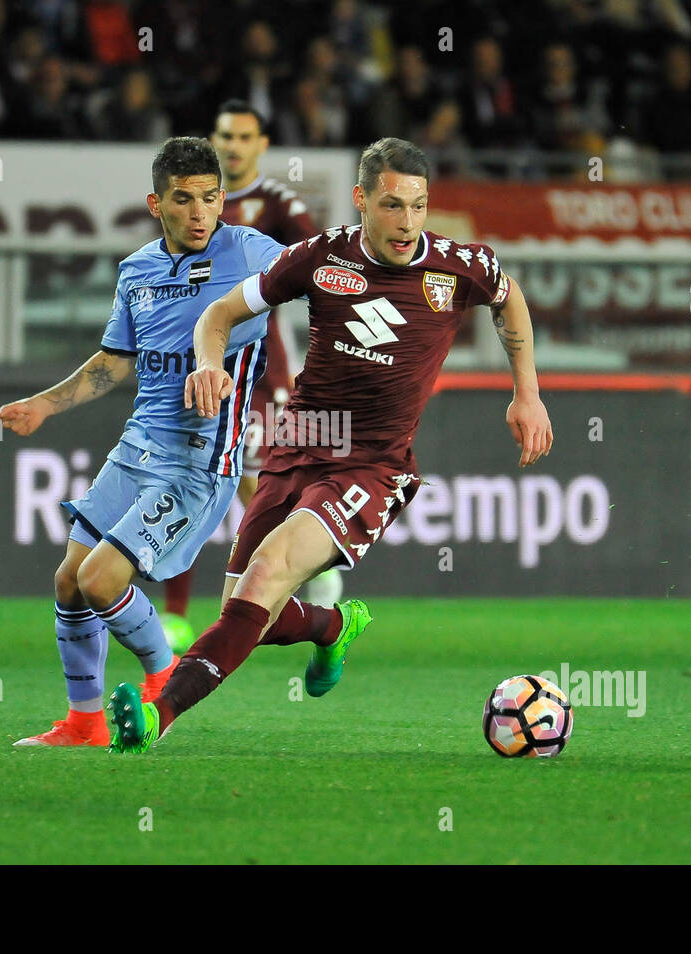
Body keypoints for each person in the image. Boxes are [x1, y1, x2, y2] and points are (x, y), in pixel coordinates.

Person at [108, 137, 553, 753]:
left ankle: (157, 715)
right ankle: (333, 625)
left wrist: (526, 394)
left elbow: (511, 302)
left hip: (373, 463)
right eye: (392, 206)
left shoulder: (459, 265)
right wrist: (208, 364)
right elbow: (218, 314)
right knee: (245, 610)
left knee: (264, 578)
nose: (407, 223)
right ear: (361, 200)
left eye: (418, 207)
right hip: (300, 444)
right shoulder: (318, 259)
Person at [0, 137, 285, 748]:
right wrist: (43, 404)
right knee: (70, 580)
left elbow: (326, 277)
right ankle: (83, 722)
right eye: (184, 199)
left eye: (211, 198)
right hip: (136, 449)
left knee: (102, 580)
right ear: (156, 203)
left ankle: (163, 683)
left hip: (200, 460)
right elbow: (113, 362)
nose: (201, 212)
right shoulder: (138, 270)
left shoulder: (254, 252)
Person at [158, 100, 330, 646]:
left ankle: (310, 592)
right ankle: (178, 614)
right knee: (191, 481)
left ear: (261, 145)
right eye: (224, 135)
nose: (232, 145)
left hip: (260, 371)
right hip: (197, 366)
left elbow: (322, 262)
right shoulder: (192, 202)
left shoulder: (276, 202)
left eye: (243, 137)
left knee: (261, 487)